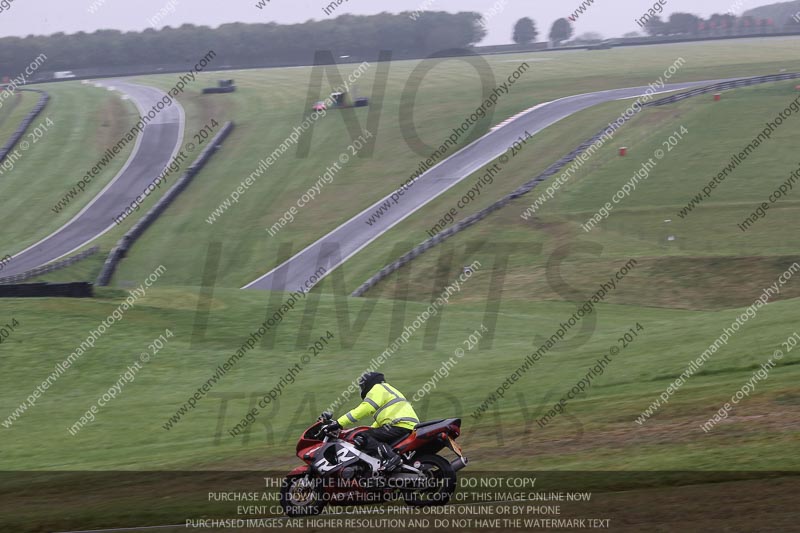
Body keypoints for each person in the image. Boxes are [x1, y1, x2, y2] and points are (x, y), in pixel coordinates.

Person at [328, 372, 419, 472]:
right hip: (404, 425)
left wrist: (338, 423)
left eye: (362, 386)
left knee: (363, 437)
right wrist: (366, 429)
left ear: (369, 383)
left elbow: (364, 409)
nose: (362, 389)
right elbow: (378, 424)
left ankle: (392, 458)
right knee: (370, 435)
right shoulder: (386, 390)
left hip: (399, 425)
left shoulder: (377, 389)